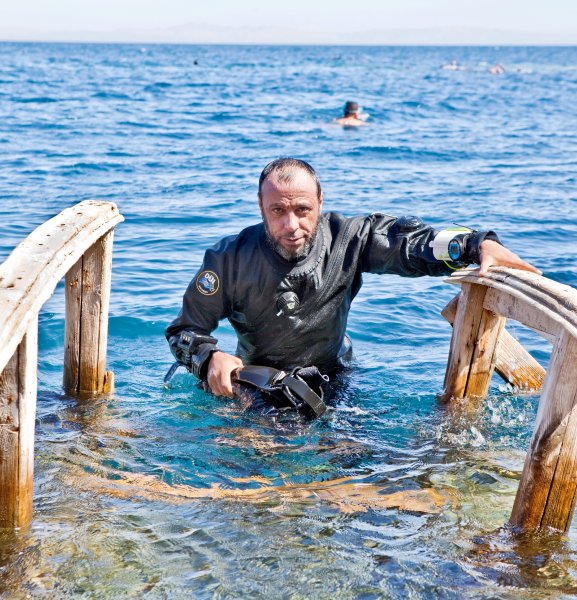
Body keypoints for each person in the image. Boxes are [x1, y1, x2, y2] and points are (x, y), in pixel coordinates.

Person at [166, 158, 540, 401]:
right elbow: (185, 330)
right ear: (261, 207)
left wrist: (477, 244)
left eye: (302, 210)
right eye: (277, 211)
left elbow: (411, 242)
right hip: (259, 380)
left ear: (321, 202)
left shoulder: (350, 238)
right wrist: (210, 356)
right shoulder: (228, 259)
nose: (291, 225)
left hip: (334, 375)